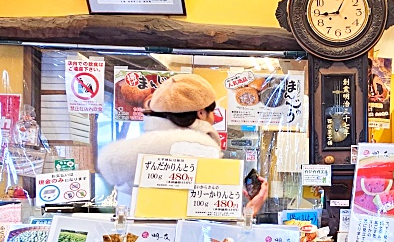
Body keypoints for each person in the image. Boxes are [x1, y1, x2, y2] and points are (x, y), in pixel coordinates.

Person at [98, 73, 269, 218]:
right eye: (212, 113)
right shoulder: (203, 152)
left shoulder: (124, 154)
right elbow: (214, 224)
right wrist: (251, 209)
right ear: (201, 113)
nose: (214, 119)